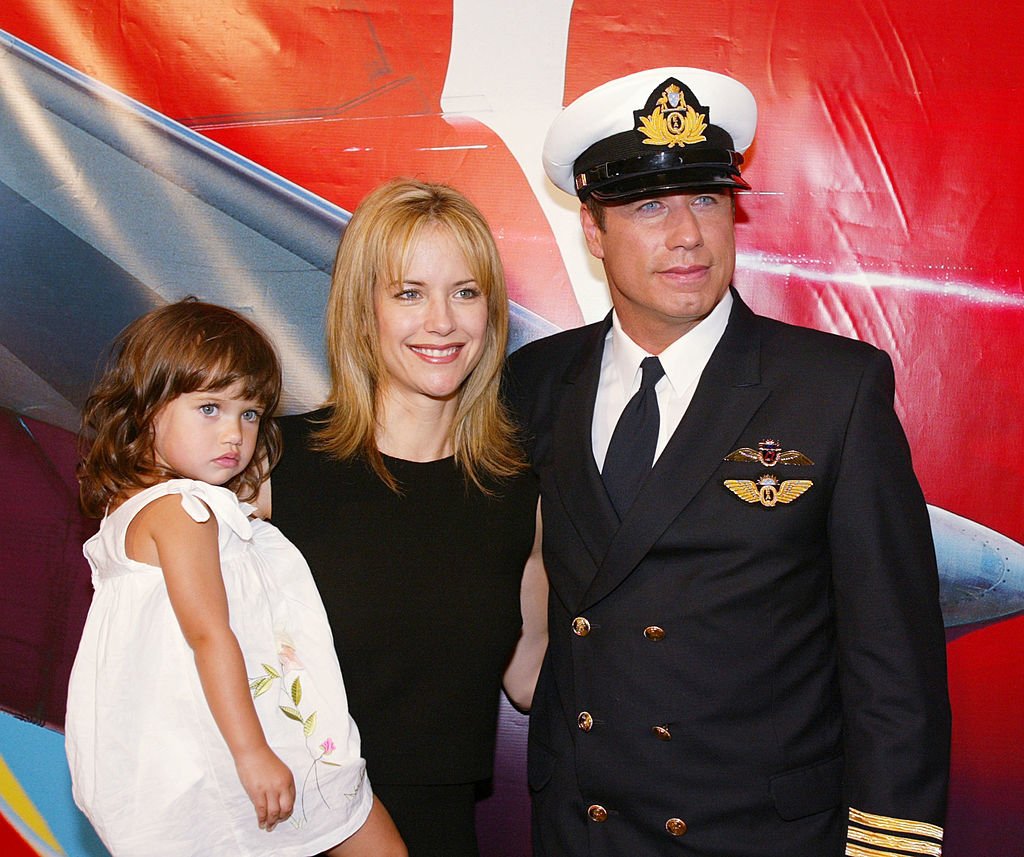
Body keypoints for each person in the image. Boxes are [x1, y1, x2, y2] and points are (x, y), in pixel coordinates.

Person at [505, 67, 951, 856]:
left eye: (708, 200)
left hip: (760, 834)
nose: (689, 236)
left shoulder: (832, 389)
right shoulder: (538, 383)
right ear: (592, 230)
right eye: (649, 206)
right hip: (587, 831)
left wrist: (889, 845)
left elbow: (894, 662)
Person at [65, 299, 406, 857]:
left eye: (249, 414)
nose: (233, 434)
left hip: (251, 740)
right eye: (209, 409)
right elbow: (209, 634)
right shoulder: (181, 510)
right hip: (238, 749)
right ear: (148, 409)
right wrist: (252, 754)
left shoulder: (149, 506)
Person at [267, 178, 547, 856]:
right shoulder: (272, 466)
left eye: (466, 291)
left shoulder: (518, 491)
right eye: (409, 292)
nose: (442, 321)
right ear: (364, 310)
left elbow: (535, 677)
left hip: (439, 834)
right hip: (286, 833)